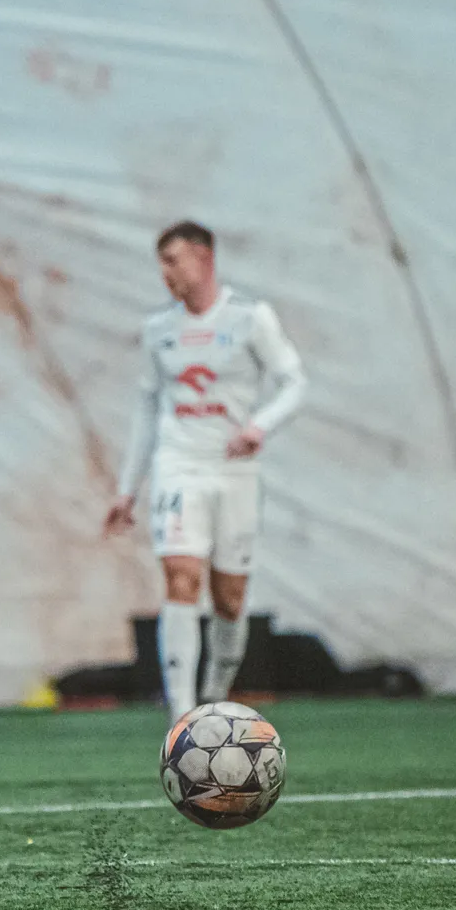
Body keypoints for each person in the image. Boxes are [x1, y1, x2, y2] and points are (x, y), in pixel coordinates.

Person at [103, 220, 306, 722]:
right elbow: (147, 409)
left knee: (230, 598)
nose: (165, 273)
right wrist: (127, 490)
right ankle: (182, 715)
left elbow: (295, 383)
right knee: (181, 577)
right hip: (179, 466)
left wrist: (259, 426)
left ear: (204, 258)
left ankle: (215, 695)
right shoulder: (159, 330)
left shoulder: (250, 318)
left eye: (172, 261)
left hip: (234, 472)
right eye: (161, 264)